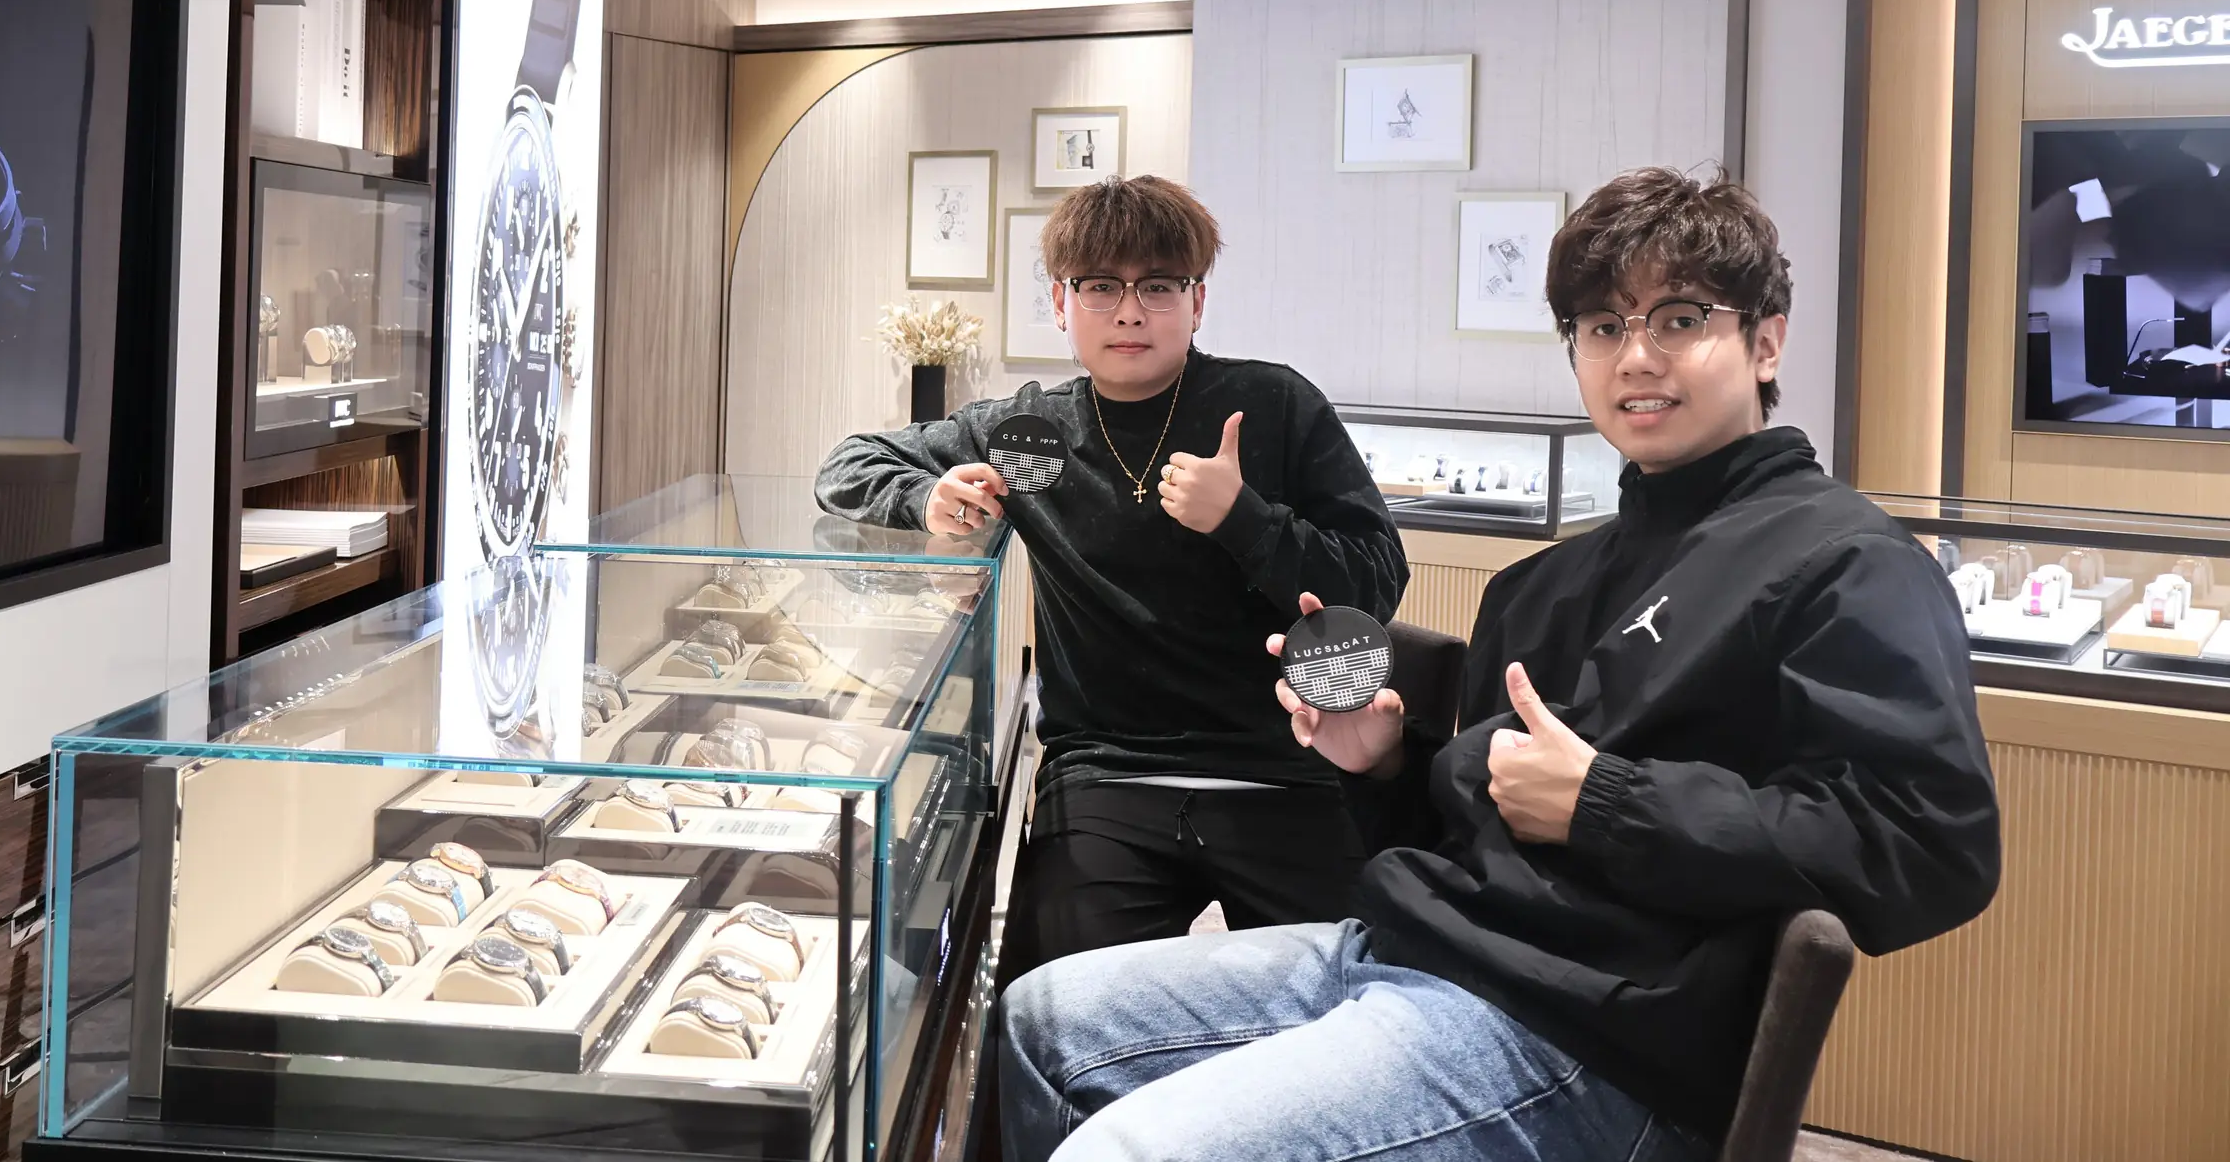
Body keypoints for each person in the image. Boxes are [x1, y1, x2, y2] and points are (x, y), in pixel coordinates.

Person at [1001, 167, 2002, 1162]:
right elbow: (1462, 842)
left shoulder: (1841, 561)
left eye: (1680, 319)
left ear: (1766, 339)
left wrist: (1604, 801)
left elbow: (1929, 842)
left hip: (1585, 1036)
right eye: (1602, 327)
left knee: (1125, 1149)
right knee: (1039, 1019)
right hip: (1411, 953)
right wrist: (1382, 762)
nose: (1636, 356)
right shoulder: (1541, 585)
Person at [816, 174, 1407, 981]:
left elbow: (1376, 580)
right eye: (1101, 286)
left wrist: (1244, 518)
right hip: (1104, 776)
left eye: (1158, 285)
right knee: (1050, 1005)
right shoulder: (1031, 434)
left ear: (1197, 301)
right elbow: (848, 464)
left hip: (1281, 769)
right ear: (1061, 303)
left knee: (1365, 998)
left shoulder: (1273, 405)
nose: (1130, 311)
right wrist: (928, 498)